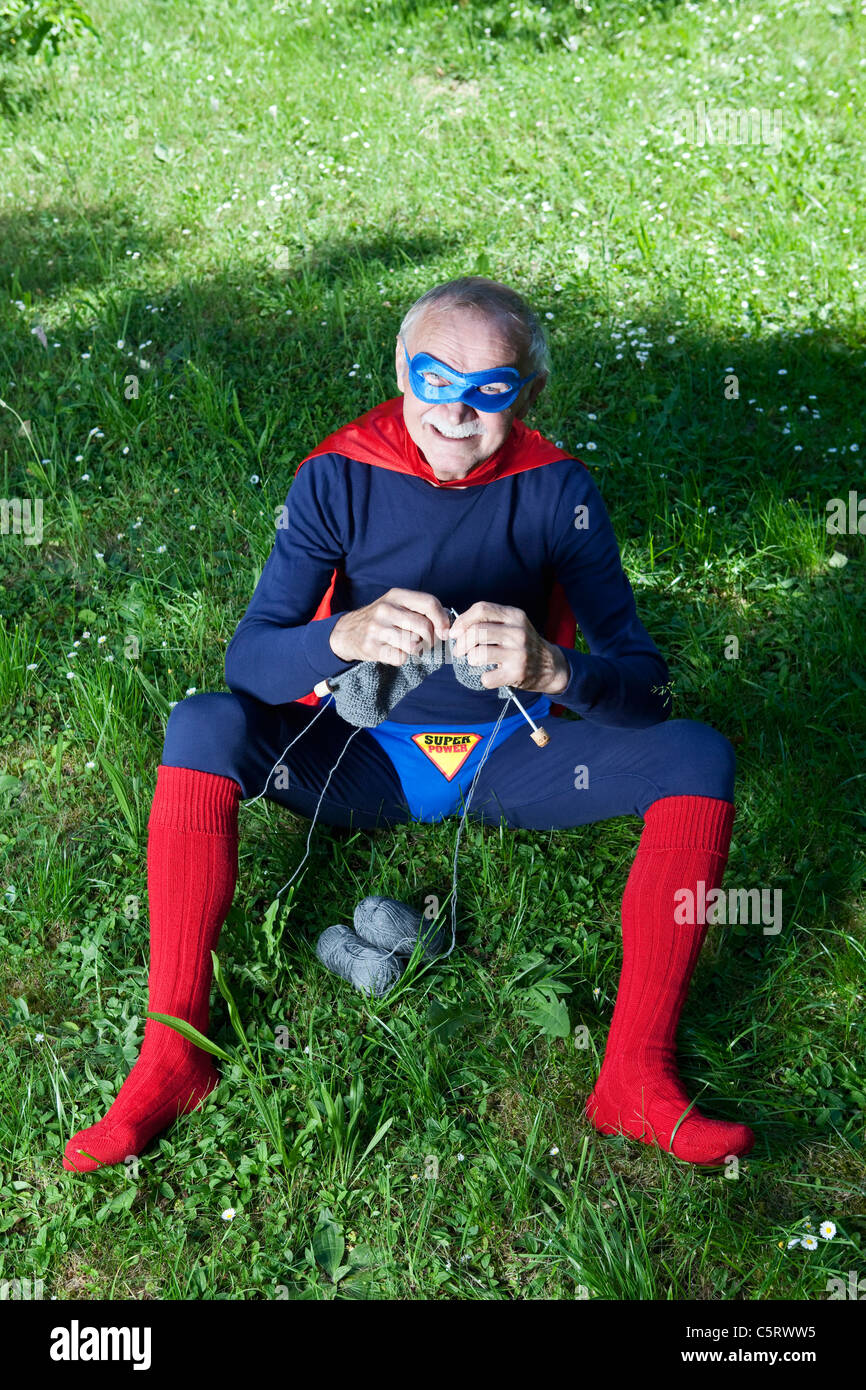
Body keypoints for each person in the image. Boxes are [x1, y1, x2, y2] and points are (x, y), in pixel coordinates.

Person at [62, 275, 755, 1174]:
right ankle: (173, 1051)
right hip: (358, 754)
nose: (458, 410)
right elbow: (249, 661)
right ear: (400, 370)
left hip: (513, 754)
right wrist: (340, 635)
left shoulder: (558, 490)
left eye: (491, 389)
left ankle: (633, 1074)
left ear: (528, 396)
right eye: (434, 377)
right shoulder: (338, 474)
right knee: (201, 724)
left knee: (699, 753)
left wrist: (556, 667)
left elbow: (648, 691)